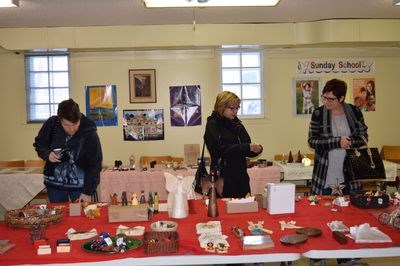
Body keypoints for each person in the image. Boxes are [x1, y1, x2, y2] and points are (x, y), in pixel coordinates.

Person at [33, 99, 103, 203]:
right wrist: (47, 154)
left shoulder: (89, 131)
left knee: (81, 216)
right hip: (54, 183)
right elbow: (40, 144)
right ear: (59, 119)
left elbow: (95, 163)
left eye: (75, 124)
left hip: (81, 185)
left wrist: (88, 191)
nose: (71, 129)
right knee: (58, 216)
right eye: (66, 125)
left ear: (80, 118)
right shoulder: (52, 124)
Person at [308, 79, 368, 196]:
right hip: (324, 175)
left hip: (351, 177)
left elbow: (364, 137)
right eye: (324, 97)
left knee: (351, 213)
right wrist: (337, 142)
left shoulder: (354, 112)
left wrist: (350, 142)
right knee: (322, 212)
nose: (326, 102)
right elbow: (312, 141)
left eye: (331, 99)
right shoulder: (318, 114)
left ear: (341, 98)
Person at [204, 91, 263, 198]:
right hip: (223, 177)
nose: (235, 111)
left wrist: (256, 150)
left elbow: (246, 146)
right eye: (232, 108)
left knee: (244, 208)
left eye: (237, 108)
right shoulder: (213, 124)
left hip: (241, 176)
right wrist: (245, 147)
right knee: (224, 211)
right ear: (221, 107)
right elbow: (217, 150)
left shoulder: (237, 124)